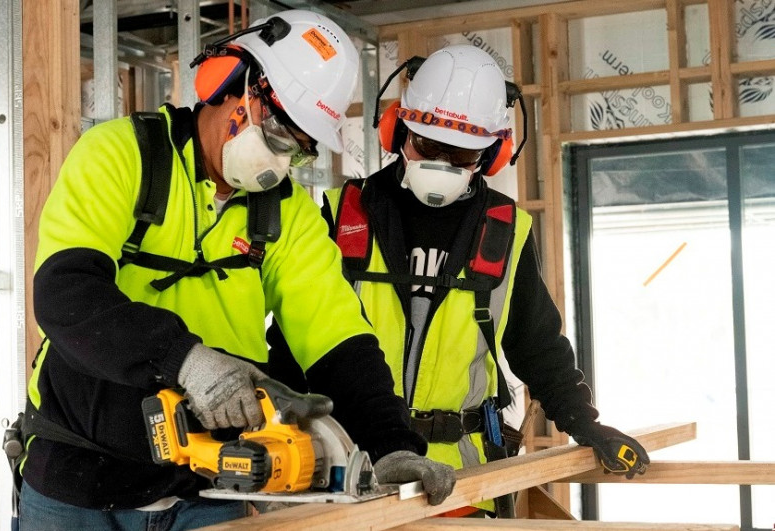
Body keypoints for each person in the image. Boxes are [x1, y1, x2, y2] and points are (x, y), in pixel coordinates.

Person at [18, 10, 455, 531]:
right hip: (77, 483)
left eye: (299, 146)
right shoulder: (119, 154)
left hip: (212, 489)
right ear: (235, 86)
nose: (282, 157)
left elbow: (338, 337)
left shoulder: (284, 210)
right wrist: (185, 361)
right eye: (277, 131)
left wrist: (390, 445)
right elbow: (66, 294)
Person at [268, 44, 650, 517]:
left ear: (492, 153)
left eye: (464, 153)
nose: (443, 164)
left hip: (460, 482)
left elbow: (538, 346)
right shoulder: (338, 216)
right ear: (398, 129)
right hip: (343, 470)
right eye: (429, 145)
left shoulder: (506, 232)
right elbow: (289, 351)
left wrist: (583, 422)